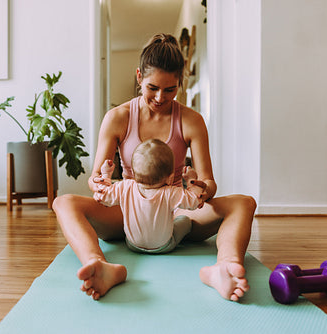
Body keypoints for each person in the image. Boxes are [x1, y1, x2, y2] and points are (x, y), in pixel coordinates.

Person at [53, 33, 257, 302]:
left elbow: (209, 182)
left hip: (177, 209)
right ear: (139, 77)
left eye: (170, 89)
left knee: (244, 203)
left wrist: (199, 189)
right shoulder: (117, 118)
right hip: (128, 212)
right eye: (152, 88)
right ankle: (98, 266)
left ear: (179, 84)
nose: (161, 97)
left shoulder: (192, 121)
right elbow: (94, 180)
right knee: (63, 203)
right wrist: (101, 184)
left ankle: (225, 267)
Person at [95, 139, 205, 254]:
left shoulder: (125, 186)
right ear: (170, 178)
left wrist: (106, 174)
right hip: (164, 246)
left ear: (133, 172)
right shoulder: (170, 192)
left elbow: (103, 196)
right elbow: (195, 201)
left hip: (132, 244)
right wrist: (191, 179)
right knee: (185, 220)